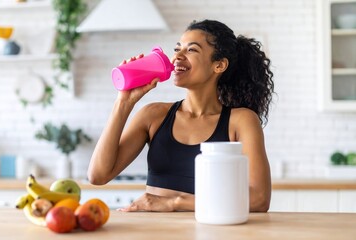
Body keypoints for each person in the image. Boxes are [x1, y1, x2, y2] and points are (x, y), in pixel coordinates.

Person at [88, 19, 274, 212]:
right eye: (177, 48)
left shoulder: (241, 121)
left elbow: (259, 199)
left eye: (191, 50)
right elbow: (98, 176)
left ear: (219, 65)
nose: (177, 56)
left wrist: (173, 202)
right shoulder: (153, 116)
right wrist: (124, 102)